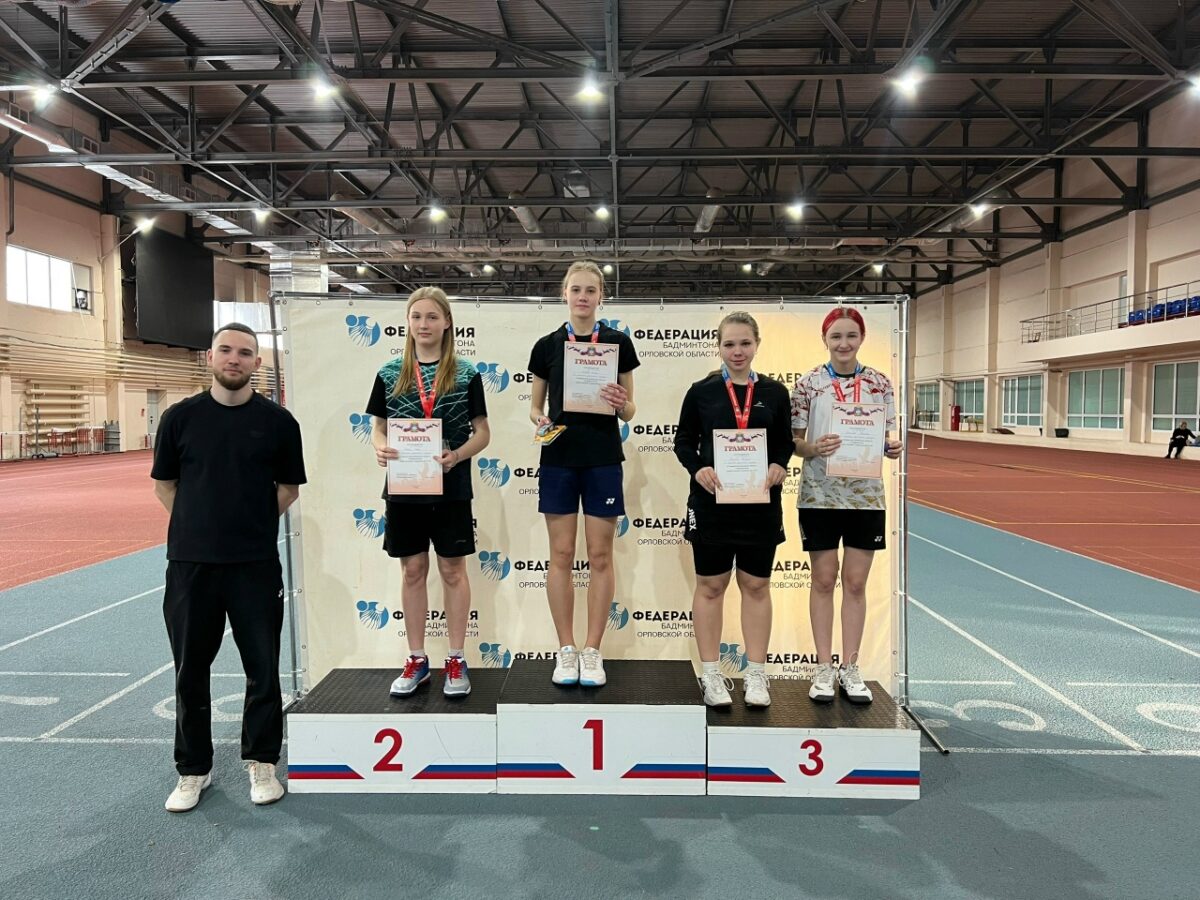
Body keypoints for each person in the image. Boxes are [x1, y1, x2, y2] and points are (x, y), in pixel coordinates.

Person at [151, 323, 306, 813]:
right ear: (210, 357)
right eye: (225, 350)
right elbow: (165, 486)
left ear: (257, 363)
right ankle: (193, 768)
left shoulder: (280, 423)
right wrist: (199, 528)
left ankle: (262, 762)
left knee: (262, 669)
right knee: (190, 671)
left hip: (254, 566)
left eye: (244, 352)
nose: (234, 359)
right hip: (191, 566)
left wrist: (249, 528)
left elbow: (288, 489)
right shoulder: (179, 418)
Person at [366, 287, 490, 698]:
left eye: (432, 317)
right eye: (416, 316)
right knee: (412, 571)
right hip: (404, 487)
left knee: (453, 572)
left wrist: (457, 455)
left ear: (447, 323)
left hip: (451, 487)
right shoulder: (389, 373)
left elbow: (483, 433)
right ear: (408, 322)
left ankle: (456, 658)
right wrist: (379, 447)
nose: (424, 324)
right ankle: (417, 658)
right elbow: (378, 427)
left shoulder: (466, 373)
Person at [528, 261, 639, 687]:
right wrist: (539, 420)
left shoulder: (617, 343)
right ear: (564, 294)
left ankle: (593, 650)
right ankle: (566, 649)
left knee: (600, 556)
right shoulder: (547, 345)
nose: (582, 297)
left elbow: (629, 410)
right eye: (576, 289)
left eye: (590, 290)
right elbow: (535, 408)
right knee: (560, 555)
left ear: (601, 297)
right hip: (558, 457)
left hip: (602, 458)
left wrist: (621, 402)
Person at [673, 312, 793, 707]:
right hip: (712, 504)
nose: (737, 351)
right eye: (729, 344)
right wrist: (698, 468)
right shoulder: (701, 392)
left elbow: (784, 441)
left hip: (760, 504)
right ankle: (711, 674)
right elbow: (683, 441)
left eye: (744, 343)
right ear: (719, 347)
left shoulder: (775, 392)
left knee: (756, 586)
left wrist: (779, 464)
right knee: (711, 587)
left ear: (756, 344)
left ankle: (756, 674)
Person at [791, 307, 902, 705]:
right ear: (825, 339)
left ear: (862, 338)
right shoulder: (808, 384)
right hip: (819, 496)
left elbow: (887, 438)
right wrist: (812, 448)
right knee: (823, 580)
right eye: (836, 336)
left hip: (865, 498)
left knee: (855, 583)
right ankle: (823, 667)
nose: (843, 343)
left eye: (851, 335)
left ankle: (850, 667)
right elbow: (795, 442)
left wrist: (891, 447)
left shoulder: (880, 383)